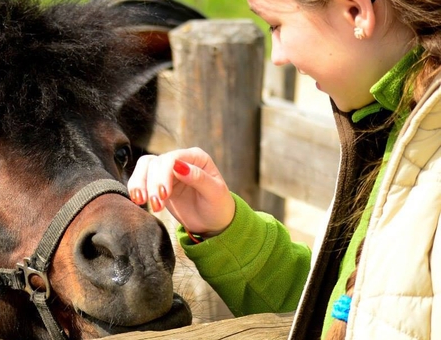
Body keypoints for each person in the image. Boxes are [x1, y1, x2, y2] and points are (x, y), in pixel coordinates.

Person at [127, 0, 441, 338]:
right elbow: (361, 311)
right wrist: (226, 231)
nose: (277, 56)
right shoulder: (399, 127)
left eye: (276, 26)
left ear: (355, 11)